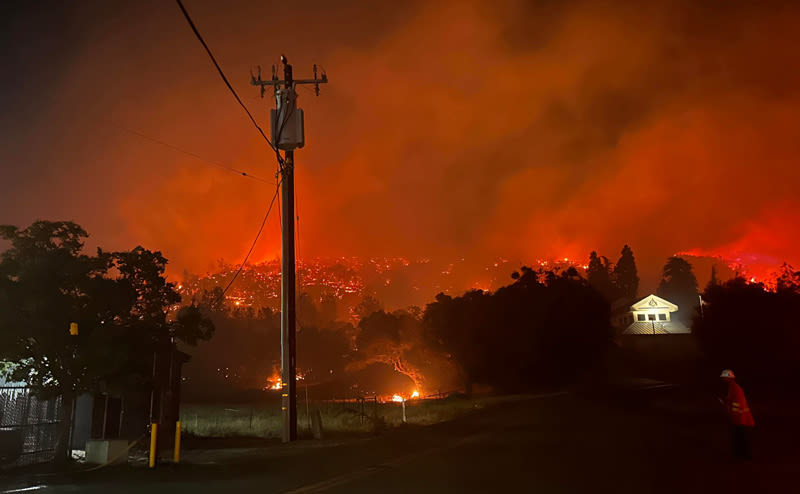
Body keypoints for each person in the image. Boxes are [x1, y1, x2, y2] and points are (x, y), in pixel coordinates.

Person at [719, 369, 755, 460]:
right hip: (740, 418)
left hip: (739, 418)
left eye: (724, 377)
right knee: (740, 438)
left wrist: (728, 406)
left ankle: (743, 456)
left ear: (729, 378)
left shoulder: (734, 388)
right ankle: (741, 455)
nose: (723, 379)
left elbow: (736, 403)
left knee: (740, 438)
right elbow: (733, 401)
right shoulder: (733, 387)